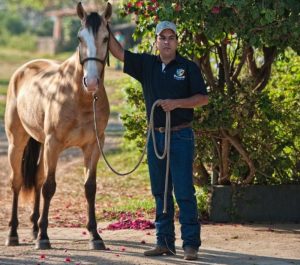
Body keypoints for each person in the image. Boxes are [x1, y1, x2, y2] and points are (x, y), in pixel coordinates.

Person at [109, 20, 208, 260]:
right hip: (156, 137)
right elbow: (119, 52)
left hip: (181, 135)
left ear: (177, 41)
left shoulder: (188, 67)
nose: (166, 42)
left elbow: (202, 98)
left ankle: (190, 245)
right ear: (156, 41)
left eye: (171, 38)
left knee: (184, 190)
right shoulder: (147, 65)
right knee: (160, 192)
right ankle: (164, 242)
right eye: (162, 38)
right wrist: (104, 26)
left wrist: (177, 104)